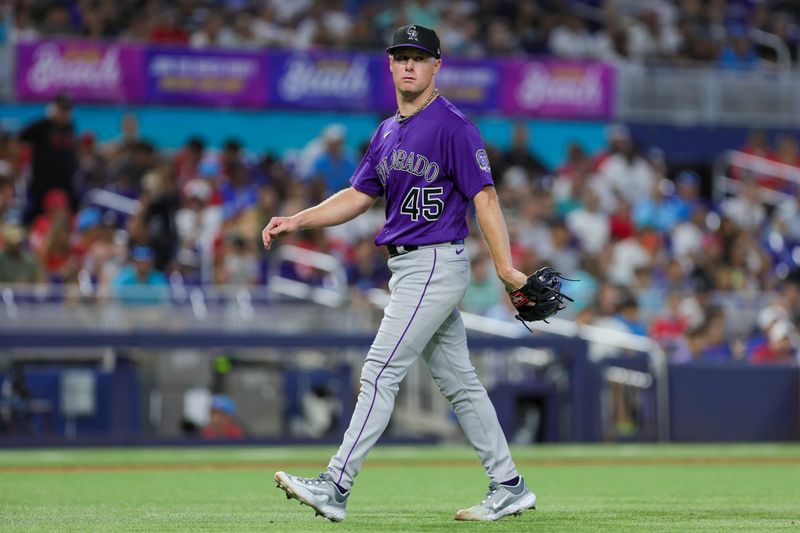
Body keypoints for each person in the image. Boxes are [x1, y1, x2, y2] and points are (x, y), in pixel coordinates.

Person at [264, 24, 536, 523]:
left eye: (420, 57)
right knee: (460, 383)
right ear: (390, 65)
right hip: (410, 266)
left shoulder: (454, 126)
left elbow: (486, 198)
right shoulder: (388, 131)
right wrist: (299, 219)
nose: (409, 65)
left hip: (435, 261)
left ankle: (335, 485)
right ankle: (509, 484)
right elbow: (358, 194)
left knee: (379, 371)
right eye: (401, 56)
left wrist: (504, 267)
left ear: (437, 66)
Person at [17, 92, 78, 223]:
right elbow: (21, 135)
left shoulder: (70, 127)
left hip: (64, 184)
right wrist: (47, 118)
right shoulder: (42, 126)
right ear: (54, 108)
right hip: (42, 184)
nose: (64, 113)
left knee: (63, 218)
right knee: (37, 217)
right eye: (62, 109)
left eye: (67, 110)